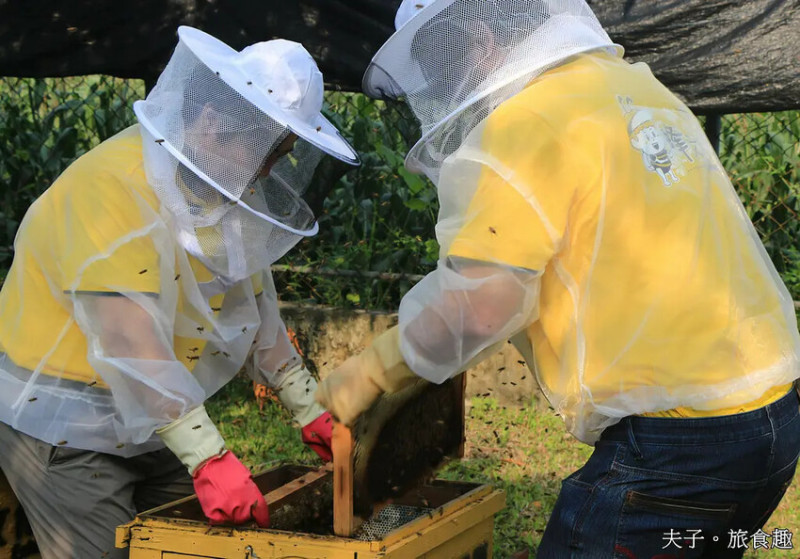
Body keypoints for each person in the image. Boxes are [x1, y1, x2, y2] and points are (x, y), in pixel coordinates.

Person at [315, 1, 800, 557]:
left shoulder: (523, 123)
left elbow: (482, 306)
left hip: (679, 451)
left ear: (476, 33)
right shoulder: (632, 87)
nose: (442, 80)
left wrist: (369, 373)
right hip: (773, 422)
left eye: (440, 58)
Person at [0, 26, 359, 559]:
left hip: (156, 420)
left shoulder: (222, 195)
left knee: (204, 548)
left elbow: (253, 305)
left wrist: (310, 406)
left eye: (280, 154)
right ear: (213, 124)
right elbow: (128, 341)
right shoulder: (109, 190)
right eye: (267, 150)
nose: (267, 170)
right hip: (65, 424)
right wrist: (209, 458)